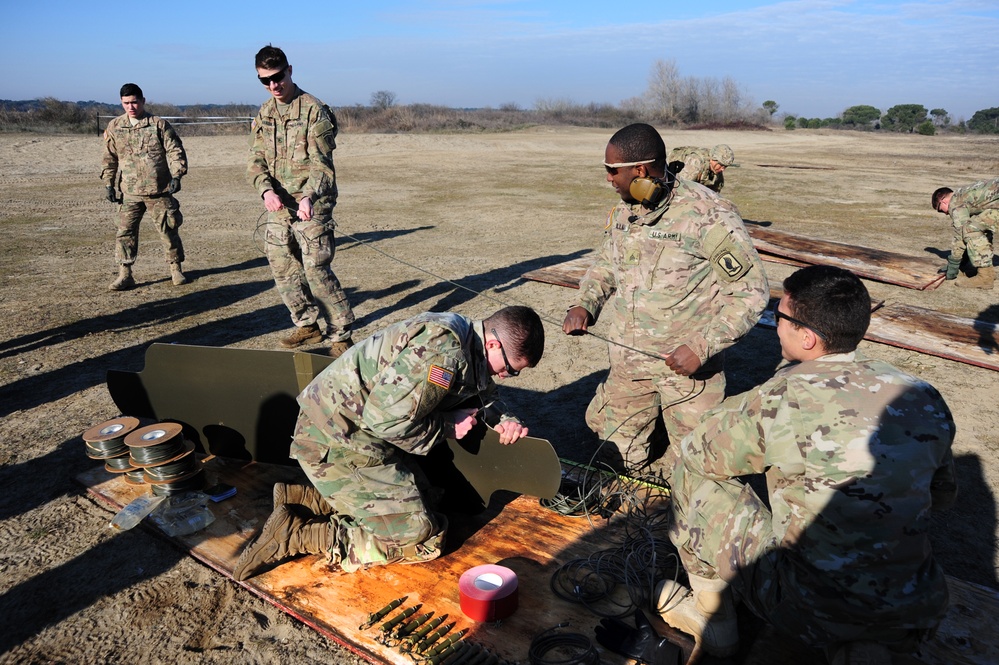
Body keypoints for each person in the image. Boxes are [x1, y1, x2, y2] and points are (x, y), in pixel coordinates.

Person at [659, 265, 957, 664]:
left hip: (806, 609)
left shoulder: (785, 396)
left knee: (691, 473)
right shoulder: (922, 395)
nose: (776, 325)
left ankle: (714, 619)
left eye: (779, 317)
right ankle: (865, 644)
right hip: (913, 608)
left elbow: (701, 450)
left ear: (807, 336)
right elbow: (942, 497)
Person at [233, 305, 545, 581]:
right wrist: (450, 426)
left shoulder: (464, 337)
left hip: (354, 435)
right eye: (510, 369)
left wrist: (506, 419)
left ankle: (309, 499)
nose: (506, 376)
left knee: (430, 498)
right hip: (337, 442)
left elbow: (482, 390)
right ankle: (297, 535)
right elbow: (386, 421)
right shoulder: (444, 355)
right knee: (422, 536)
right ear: (492, 343)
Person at [562, 124, 768, 475]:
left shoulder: (707, 214)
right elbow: (607, 263)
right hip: (628, 365)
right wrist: (586, 302)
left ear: (639, 171)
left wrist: (701, 347)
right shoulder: (626, 211)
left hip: (686, 372)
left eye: (613, 171)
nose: (609, 179)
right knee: (618, 452)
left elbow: (751, 292)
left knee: (698, 464)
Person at [248, 45, 356, 357]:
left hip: (314, 203)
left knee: (315, 269)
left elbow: (322, 166)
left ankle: (341, 335)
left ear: (290, 70)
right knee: (282, 267)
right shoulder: (265, 113)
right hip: (278, 205)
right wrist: (266, 191)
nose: (273, 85)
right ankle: (307, 324)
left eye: (277, 77)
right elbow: (255, 161)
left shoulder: (313, 110)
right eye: (264, 80)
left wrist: (309, 197)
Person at [100, 83, 189, 291]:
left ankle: (175, 269)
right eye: (126, 103)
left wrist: (177, 175)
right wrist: (109, 184)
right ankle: (125, 273)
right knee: (125, 232)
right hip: (129, 191)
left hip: (158, 190)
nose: (131, 107)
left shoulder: (159, 125)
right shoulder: (115, 127)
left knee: (168, 230)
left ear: (143, 101)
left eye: (134, 102)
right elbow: (109, 158)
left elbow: (175, 151)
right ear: (121, 103)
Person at [932, 178, 999, 289]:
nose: (944, 213)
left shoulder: (955, 202)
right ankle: (988, 273)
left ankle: (985, 278)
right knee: (978, 226)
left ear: (943, 201)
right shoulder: (965, 195)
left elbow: (960, 235)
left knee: (970, 229)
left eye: (940, 209)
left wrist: (953, 265)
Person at [666, 144, 735, 193]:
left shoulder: (717, 169)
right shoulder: (695, 162)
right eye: (721, 165)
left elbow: (716, 190)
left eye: (725, 166)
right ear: (713, 159)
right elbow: (680, 187)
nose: (723, 169)